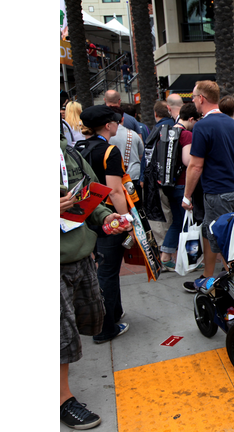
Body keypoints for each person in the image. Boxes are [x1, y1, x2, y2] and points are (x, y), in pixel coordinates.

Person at [60, 134, 130, 430]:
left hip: (80, 254)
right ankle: (62, 399)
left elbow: (89, 194)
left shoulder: (66, 152)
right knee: (60, 333)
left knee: (89, 317)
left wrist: (105, 218)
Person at [182, 80, 234, 290]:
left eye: (194, 97)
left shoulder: (202, 126)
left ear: (201, 98)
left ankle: (233, 285)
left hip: (217, 192)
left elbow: (195, 166)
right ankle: (208, 276)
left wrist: (186, 196)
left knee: (221, 239)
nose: (193, 101)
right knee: (214, 232)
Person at [74, 105, 133, 345]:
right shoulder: (110, 151)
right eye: (115, 121)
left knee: (105, 269)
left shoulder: (77, 148)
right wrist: (126, 221)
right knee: (107, 273)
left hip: (83, 220)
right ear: (108, 125)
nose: (118, 124)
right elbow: (116, 191)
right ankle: (105, 328)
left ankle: (115, 311)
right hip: (107, 219)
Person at [160, 103, 200, 273]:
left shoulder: (165, 131)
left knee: (177, 221)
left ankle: (166, 255)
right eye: (196, 120)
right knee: (185, 222)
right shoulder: (186, 135)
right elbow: (187, 161)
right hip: (182, 184)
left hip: (167, 184)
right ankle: (185, 259)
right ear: (191, 119)